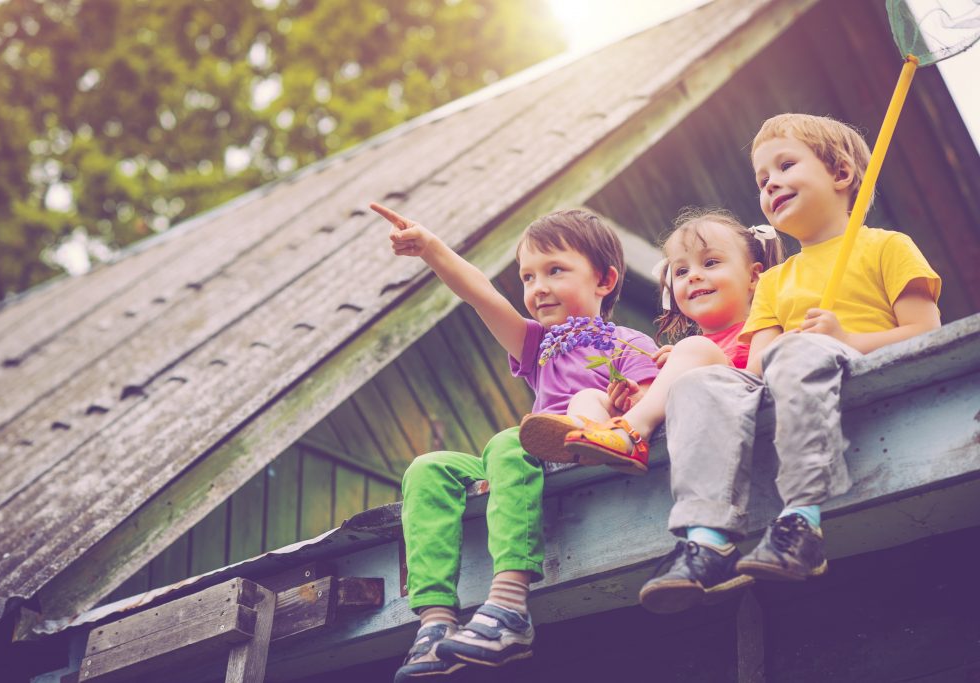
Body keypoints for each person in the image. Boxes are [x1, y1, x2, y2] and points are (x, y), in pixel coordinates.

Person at [639, 113, 942, 615]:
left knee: (796, 350)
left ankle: (801, 522)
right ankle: (706, 536)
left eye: (784, 166)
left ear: (841, 174)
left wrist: (847, 338)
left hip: (850, 366)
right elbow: (756, 370)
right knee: (700, 383)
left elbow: (926, 333)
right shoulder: (776, 281)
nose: (770, 183)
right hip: (788, 379)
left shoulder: (887, 246)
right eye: (761, 179)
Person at [370, 202, 658, 680]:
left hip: (571, 451)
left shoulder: (629, 344)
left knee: (509, 440)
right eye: (527, 277)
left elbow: (647, 404)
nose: (538, 287)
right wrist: (431, 249)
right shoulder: (537, 346)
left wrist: (623, 402)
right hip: (519, 457)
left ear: (604, 281)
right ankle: (436, 622)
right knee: (428, 468)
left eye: (555, 270)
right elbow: (482, 296)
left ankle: (508, 607)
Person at [520, 208, 783, 477]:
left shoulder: (763, 327)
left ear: (753, 276)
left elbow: (758, 379)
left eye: (711, 263)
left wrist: (693, 360)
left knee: (695, 348)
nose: (692, 275)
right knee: (587, 397)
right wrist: (633, 398)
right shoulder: (684, 352)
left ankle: (630, 433)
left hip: (743, 416)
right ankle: (591, 444)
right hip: (686, 422)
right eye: (681, 271)